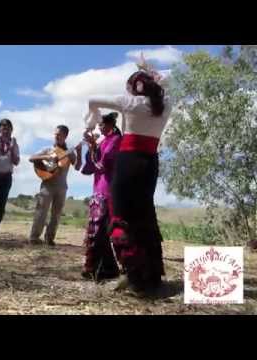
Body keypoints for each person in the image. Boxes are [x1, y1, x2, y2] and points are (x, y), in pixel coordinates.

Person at [86, 62, 172, 293]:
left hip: (128, 162)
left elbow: (92, 99)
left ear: (135, 88)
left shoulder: (130, 103)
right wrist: (151, 71)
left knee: (121, 217)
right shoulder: (165, 104)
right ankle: (150, 277)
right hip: (149, 164)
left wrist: (92, 119)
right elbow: (168, 81)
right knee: (144, 217)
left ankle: (135, 279)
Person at [80, 112, 122, 282]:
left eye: (102, 125)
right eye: (99, 125)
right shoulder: (104, 141)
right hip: (98, 189)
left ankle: (91, 267)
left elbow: (103, 165)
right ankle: (108, 269)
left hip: (108, 190)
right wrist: (92, 147)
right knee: (100, 232)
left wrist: (93, 148)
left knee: (99, 231)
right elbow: (88, 168)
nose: (100, 128)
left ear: (111, 124)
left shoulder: (116, 140)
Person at [28, 125, 79, 246]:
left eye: (59, 134)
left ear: (65, 136)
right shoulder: (48, 149)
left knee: (56, 214)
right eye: (55, 134)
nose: (56, 136)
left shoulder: (69, 152)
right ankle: (34, 238)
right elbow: (31, 158)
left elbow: (77, 166)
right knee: (41, 211)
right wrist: (47, 156)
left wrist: (79, 152)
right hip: (47, 185)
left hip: (61, 186)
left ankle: (49, 238)